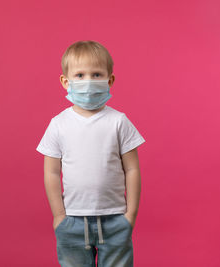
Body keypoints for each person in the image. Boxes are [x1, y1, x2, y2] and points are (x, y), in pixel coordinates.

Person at [36, 40, 146, 267]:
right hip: (72, 220)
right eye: (80, 75)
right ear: (66, 81)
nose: (88, 81)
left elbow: (132, 169)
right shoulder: (58, 124)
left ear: (110, 80)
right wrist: (59, 216)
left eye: (97, 74)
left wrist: (131, 214)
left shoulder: (119, 121)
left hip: (115, 218)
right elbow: (52, 173)